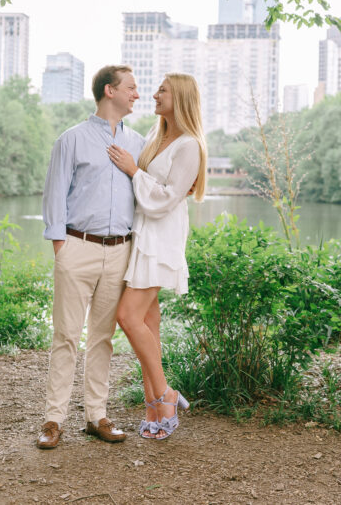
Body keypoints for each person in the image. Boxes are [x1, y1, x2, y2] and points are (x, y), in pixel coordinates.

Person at [37, 65, 146, 450]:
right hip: (76, 248)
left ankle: (96, 416)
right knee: (66, 334)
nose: (137, 94)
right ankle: (53, 420)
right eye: (131, 88)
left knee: (103, 337)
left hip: (120, 250)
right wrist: (61, 249)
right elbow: (54, 196)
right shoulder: (72, 140)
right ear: (109, 91)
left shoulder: (139, 142)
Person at [106, 73, 207, 439]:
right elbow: (146, 188)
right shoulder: (155, 134)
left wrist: (134, 170)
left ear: (178, 96)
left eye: (161, 90)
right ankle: (154, 407)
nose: (153, 94)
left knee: (127, 316)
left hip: (161, 238)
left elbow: (165, 199)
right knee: (148, 322)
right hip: (141, 233)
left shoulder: (190, 145)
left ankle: (166, 393)